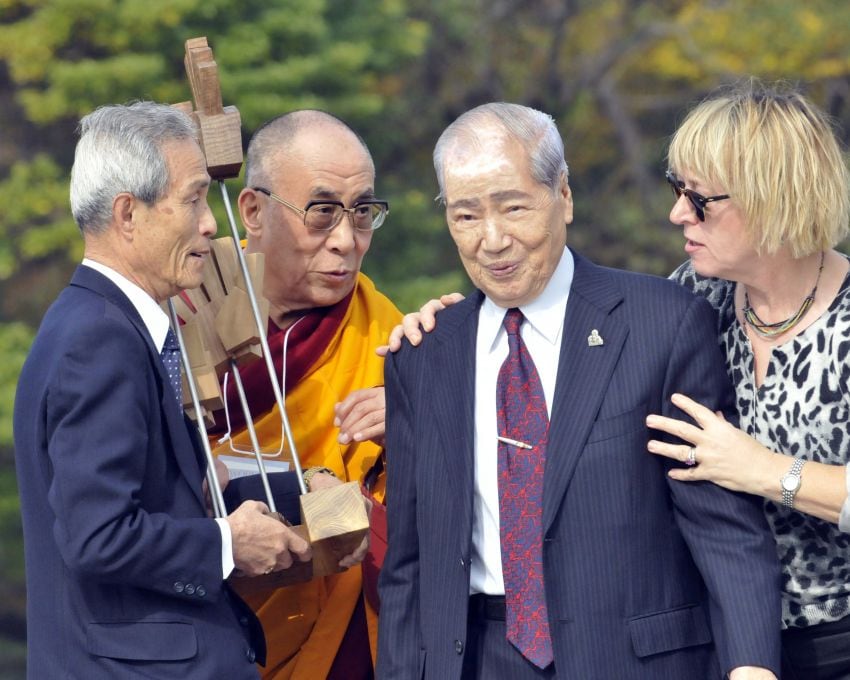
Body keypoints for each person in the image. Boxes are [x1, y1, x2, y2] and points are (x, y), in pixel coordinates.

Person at [376, 102, 780, 679]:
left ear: (562, 195)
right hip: (477, 659)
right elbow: (409, 564)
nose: (492, 240)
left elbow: (721, 526)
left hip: (634, 662)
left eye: (513, 208)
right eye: (466, 217)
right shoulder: (423, 355)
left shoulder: (661, 323)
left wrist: (752, 666)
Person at [12, 102, 315, 679]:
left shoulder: (104, 325)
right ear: (129, 214)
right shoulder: (98, 342)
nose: (210, 223)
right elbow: (97, 535)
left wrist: (306, 495)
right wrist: (227, 544)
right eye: (194, 198)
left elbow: (162, 498)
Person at [641, 83, 850, 680]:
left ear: (774, 198)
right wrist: (460, 337)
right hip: (727, 646)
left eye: (700, 199)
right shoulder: (694, 294)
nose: (678, 213)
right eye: (676, 189)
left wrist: (763, 471)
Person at [210, 110, 402, 679]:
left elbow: (430, 525)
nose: (346, 241)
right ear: (253, 211)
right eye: (322, 213)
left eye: (362, 213)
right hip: (200, 630)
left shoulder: (389, 338)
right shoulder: (189, 308)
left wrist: (419, 425)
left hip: (340, 638)